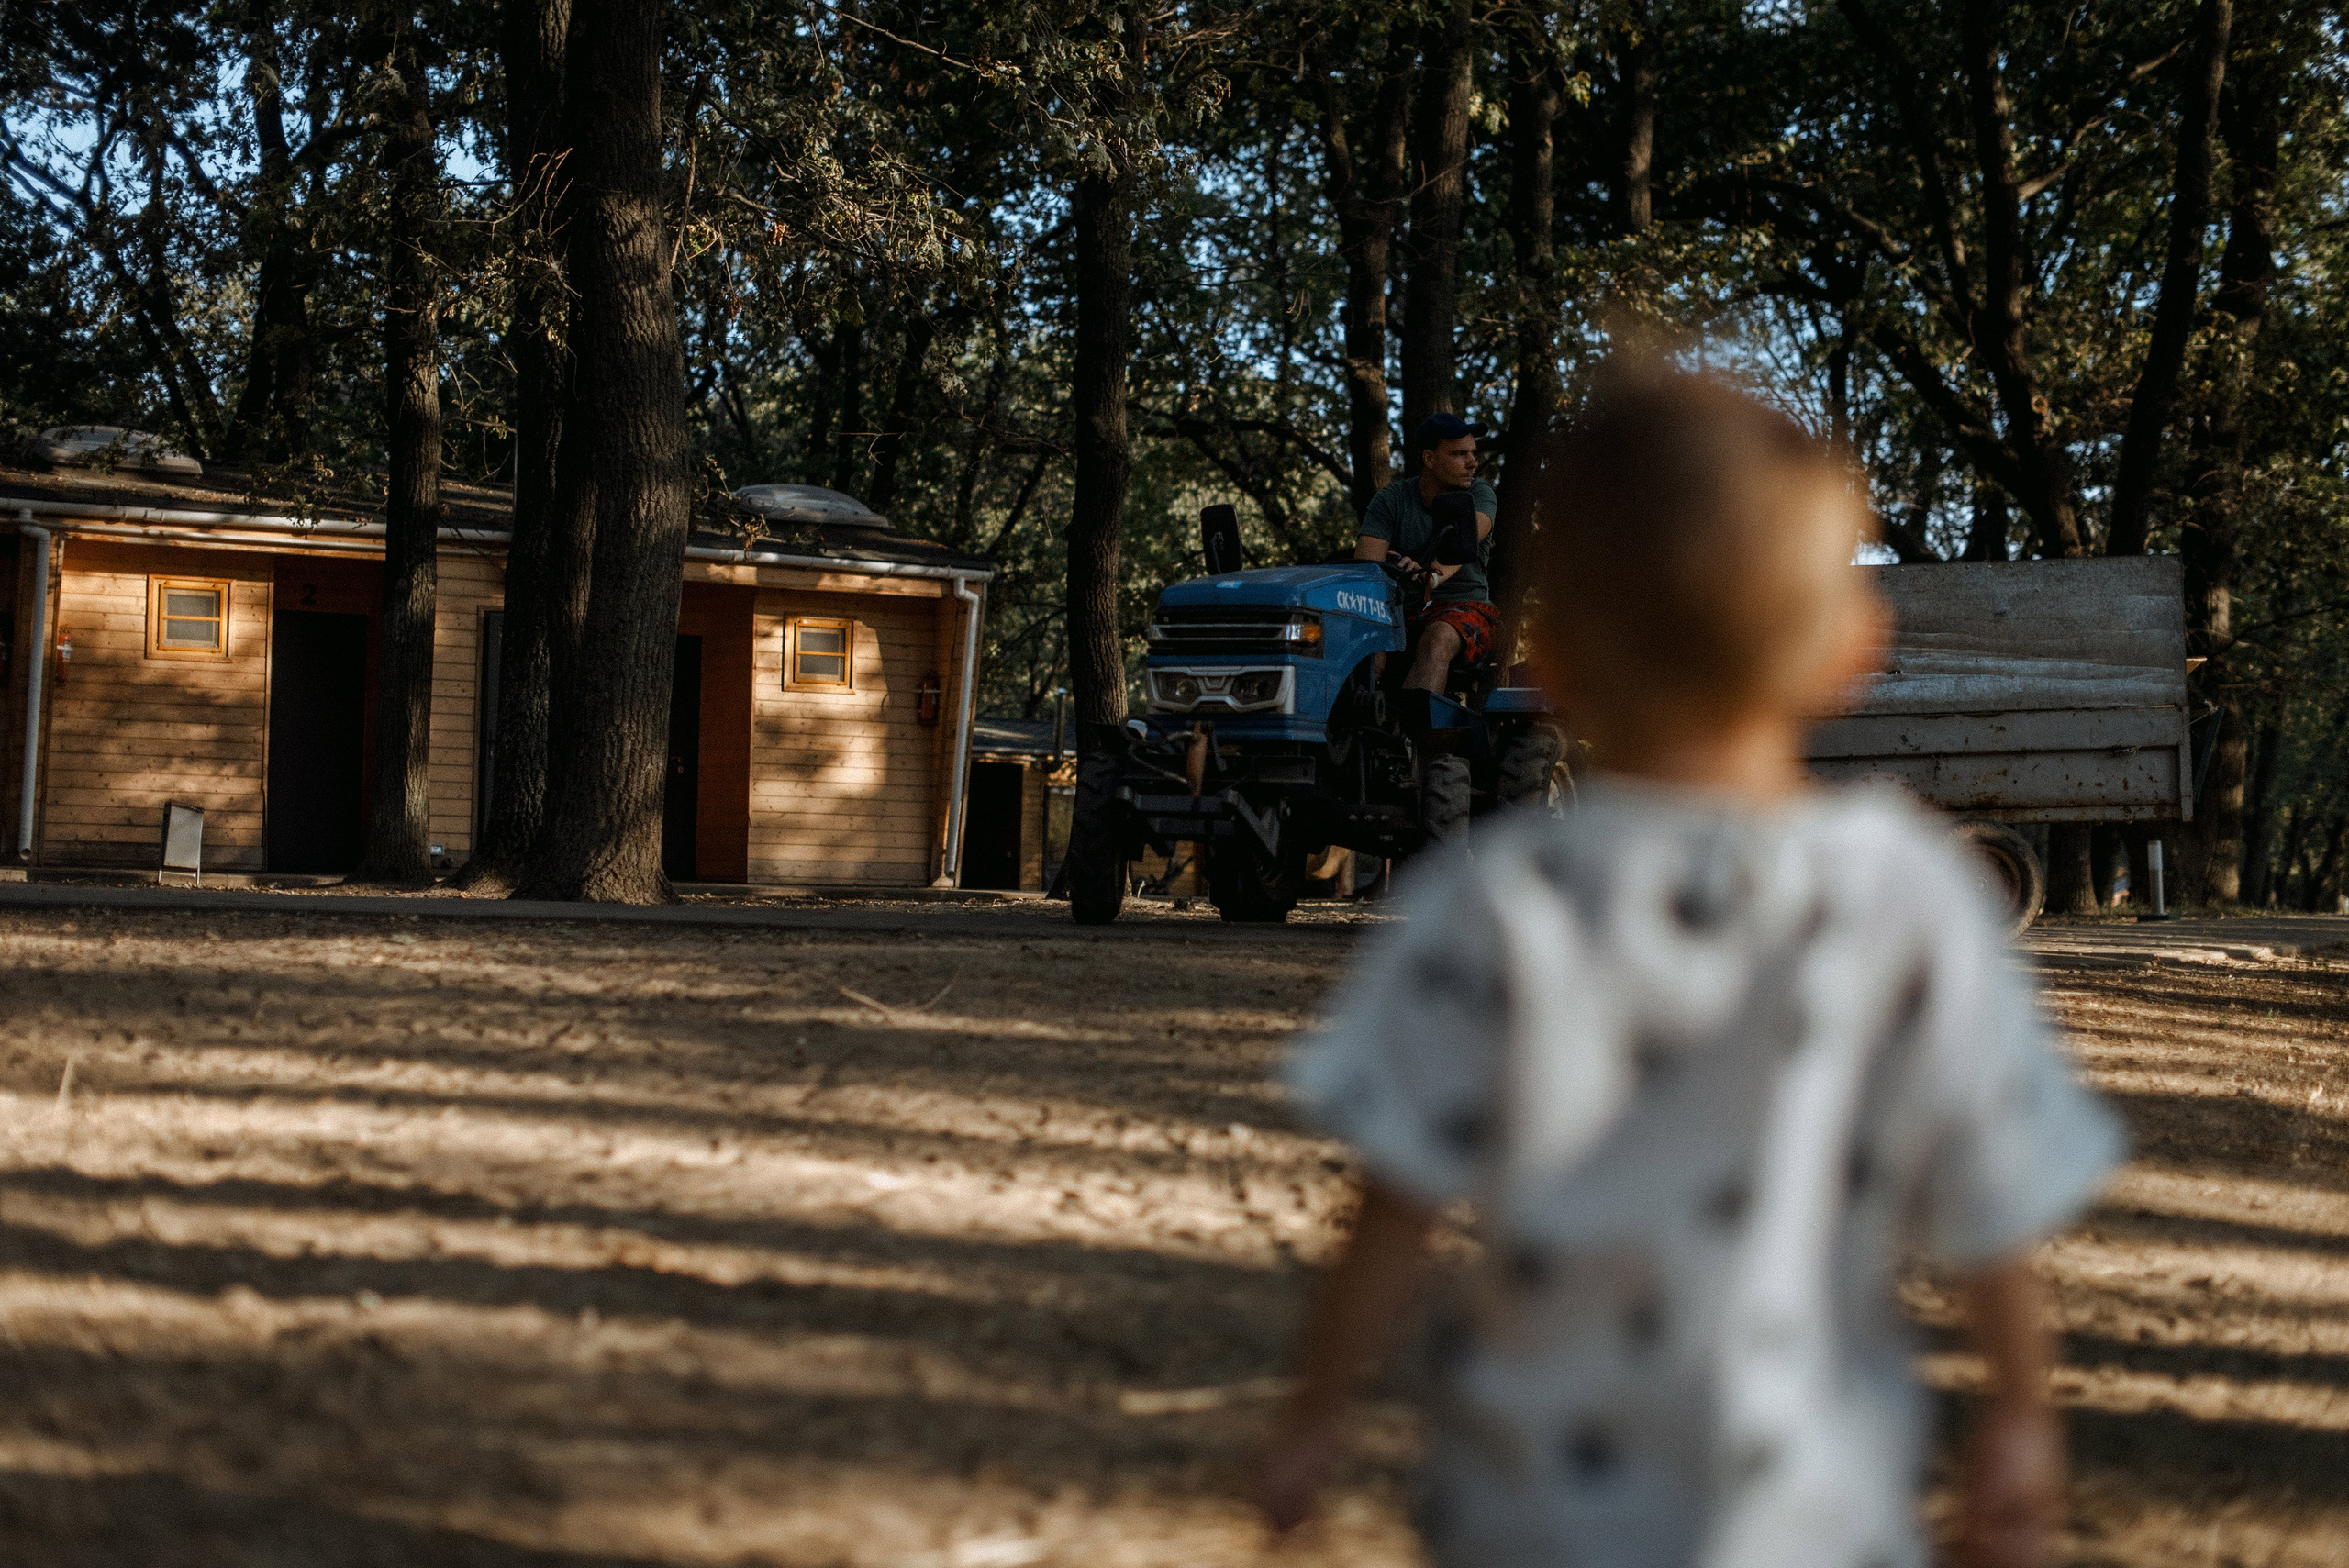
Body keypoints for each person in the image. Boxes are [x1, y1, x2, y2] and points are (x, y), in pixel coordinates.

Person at [1261, 362, 2121, 1568]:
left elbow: (1397, 1197)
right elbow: (1992, 1190)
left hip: (1526, 1518)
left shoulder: (1495, 898)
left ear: (1548, 662)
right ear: (1851, 649)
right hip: (1817, 1515)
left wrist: (1315, 1416)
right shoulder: (1906, 891)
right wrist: (2025, 1414)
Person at [1356, 412, 1498, 694]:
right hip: (1400, 610)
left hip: (1466, 607)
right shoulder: (1391, 500)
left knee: (1437, 640)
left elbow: (1465, 537)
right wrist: (1377, 630)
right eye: (1460, 454)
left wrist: (1427, 577)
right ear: (1430, 459)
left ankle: (1413, 735)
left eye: (1473, 453)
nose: (1472, 463)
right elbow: (1366, 570)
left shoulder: (1480, 494)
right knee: (1357, 646)